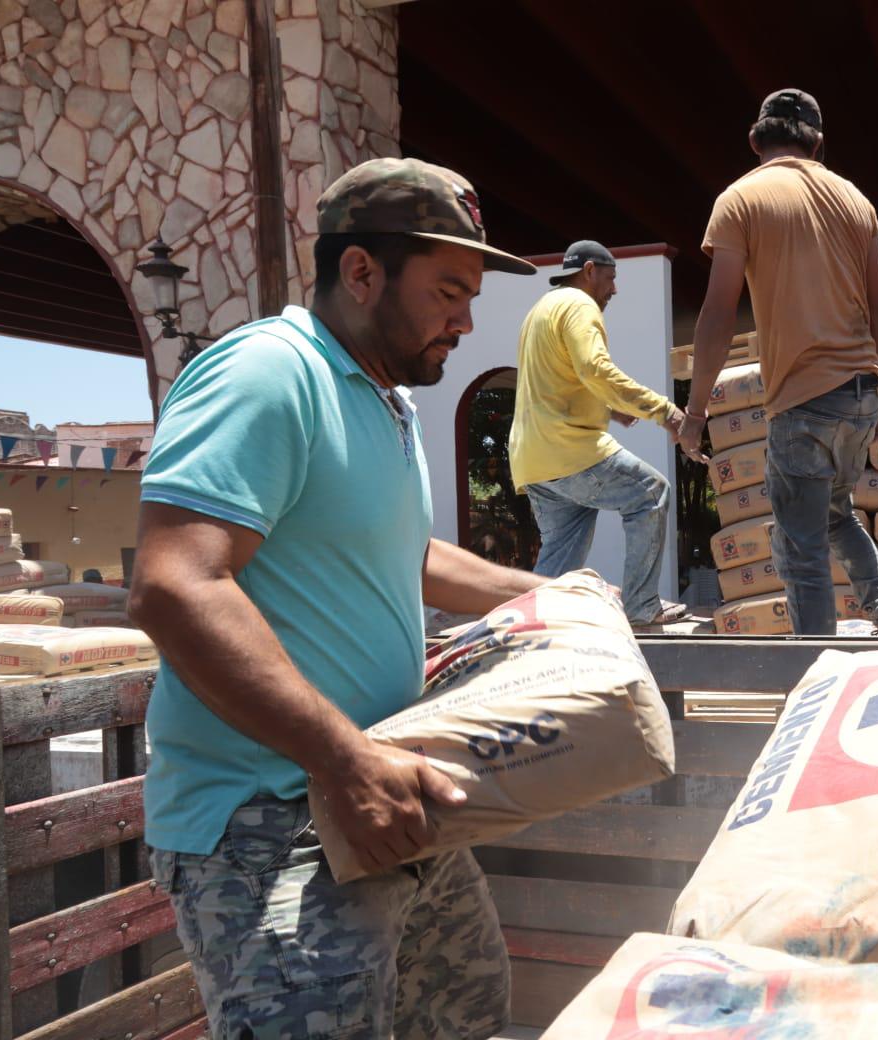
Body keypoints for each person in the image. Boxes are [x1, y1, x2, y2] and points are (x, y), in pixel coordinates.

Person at [128, 157, 542, 1039]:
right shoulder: (269, 373)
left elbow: (399, 549)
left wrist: (547, 595)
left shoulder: (382, 401)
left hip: (393, 792)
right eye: (448, 292)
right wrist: (345, 761)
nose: (466, 322)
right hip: (275, 821)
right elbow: (177, 583)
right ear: (361, 272)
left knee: (466, 1020)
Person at [680, 89, 878, 635]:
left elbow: (717, 314)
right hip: (859, 393)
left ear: (755, 139)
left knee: (800, 545)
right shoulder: (857, 200)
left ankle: (815, 663)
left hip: (802, 401)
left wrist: (695, 414)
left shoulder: (740, 199)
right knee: (836, 514)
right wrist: (875, 386)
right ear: (819, 144)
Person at [509, 240, 693, 628]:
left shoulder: (540, 310)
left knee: (559, 559)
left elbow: (555, 379)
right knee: (651, 493)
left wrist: (608, 409)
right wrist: (664, 410)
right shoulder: (580, 305)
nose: (614, 289)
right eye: (611, 278)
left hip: (533, 460)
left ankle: (533, 626)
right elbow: (595, 369)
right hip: (568, 451)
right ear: (589, 271)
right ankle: (642, 606)